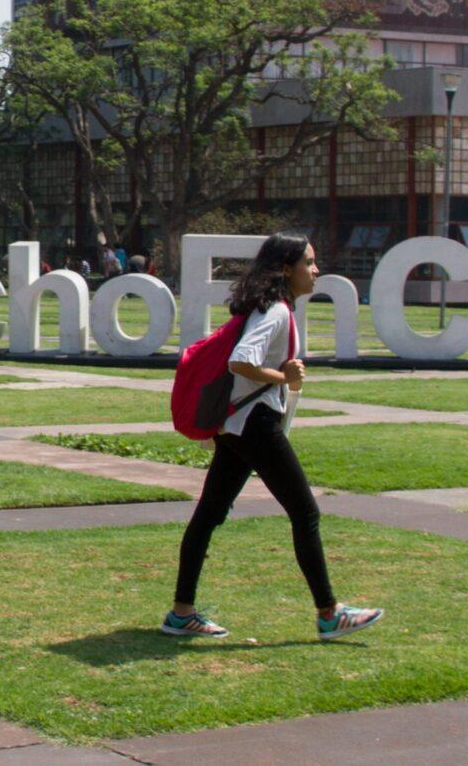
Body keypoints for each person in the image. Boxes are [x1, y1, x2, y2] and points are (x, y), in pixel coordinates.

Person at [163, 231, 382, 643]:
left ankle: (181, 613)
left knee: (208, 515)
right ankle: (329, 613)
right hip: (255, 425)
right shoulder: (276, 311)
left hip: (236, 427)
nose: (316, 271)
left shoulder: (269, 308)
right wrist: (285, 375)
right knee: (306, 512)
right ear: (287, 268)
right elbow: (241, 361)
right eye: (309, 263)